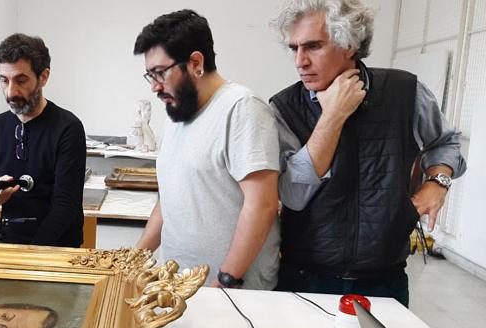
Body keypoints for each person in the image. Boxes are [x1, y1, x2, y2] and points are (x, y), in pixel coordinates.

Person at [270, 0, 467, 306]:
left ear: (348, 44)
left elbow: (445, 141)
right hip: (304, 277)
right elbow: (293, 195)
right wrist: (332, 115)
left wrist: (436, 183)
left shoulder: (405, 91)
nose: (300, 61)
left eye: (313, 46)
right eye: (294, 48)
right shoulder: (284, 108)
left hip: (385, 280)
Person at [133, 10, 281, 289]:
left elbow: (262, 204)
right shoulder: (176, 114)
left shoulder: (242, 108)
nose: (154, 86)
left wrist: (226, 279)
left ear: (195, 63)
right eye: (149, 75)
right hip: (178, 284)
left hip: (232, 291)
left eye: (160, 73)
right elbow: (169, 199)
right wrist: (134, 259)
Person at [0, 33, 86, 247]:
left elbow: (65, 207)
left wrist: (31, 254)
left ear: (43, 76)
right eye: (4, 80)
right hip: (9, 244)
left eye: (21, 80)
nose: (11, 92)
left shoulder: (68, 128)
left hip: (58, 248)